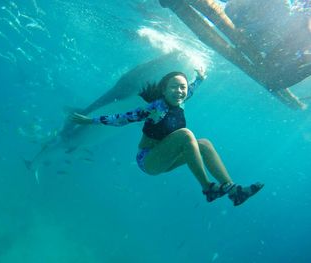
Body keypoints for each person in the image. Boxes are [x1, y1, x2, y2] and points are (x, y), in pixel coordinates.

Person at [70, 70, 263, 206]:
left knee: (204, 144)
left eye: (182, 87)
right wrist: (90, 121)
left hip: (166, 159)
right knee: (186, 134)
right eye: (174, 87)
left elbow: (191, 90)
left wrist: (200, 79)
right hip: (148, 160)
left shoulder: (182, 99)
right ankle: (208, 188)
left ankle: (234, 191)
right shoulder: (154, 108)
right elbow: (122, 118)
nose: (180, 91)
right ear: (163, 90)